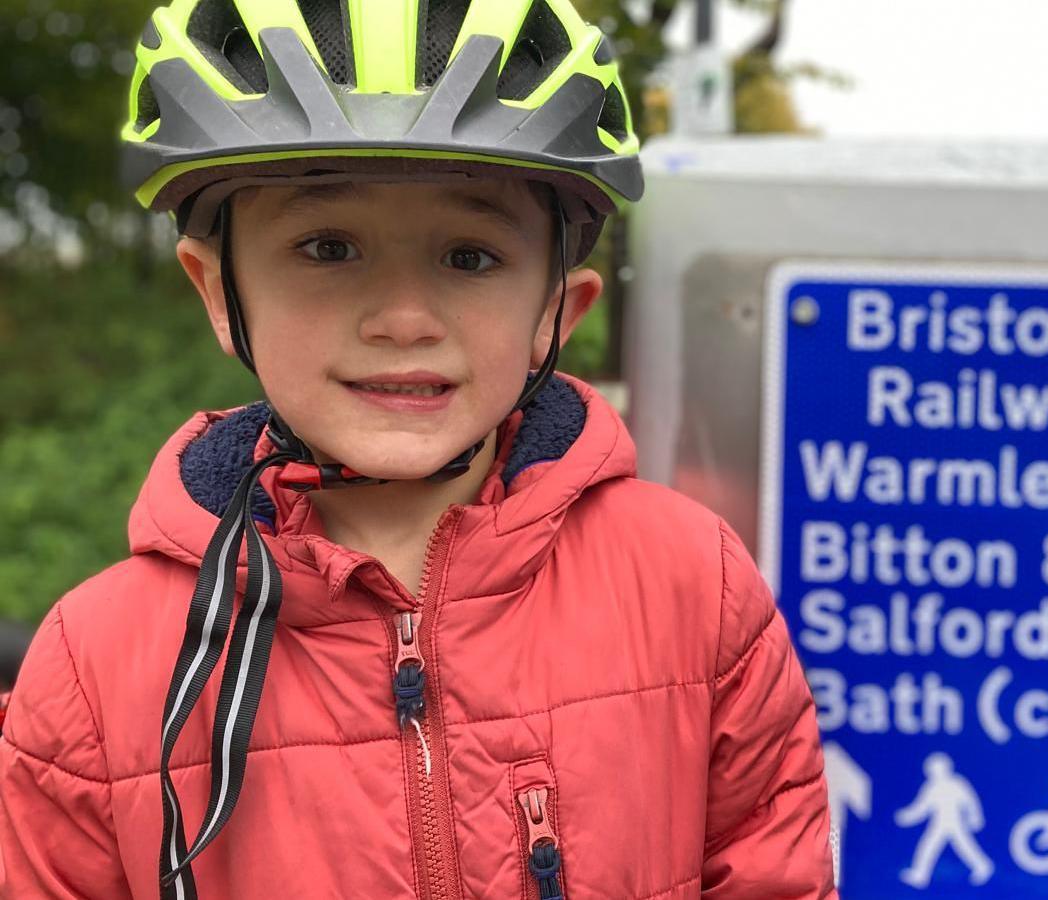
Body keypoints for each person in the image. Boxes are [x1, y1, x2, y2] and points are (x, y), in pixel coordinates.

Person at [0, 2, 835, 897]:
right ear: (218, 289)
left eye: (469, 257)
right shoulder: (93, 667)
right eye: (328, 247)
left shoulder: (692, 588)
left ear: (559, 307)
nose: (403, 320)